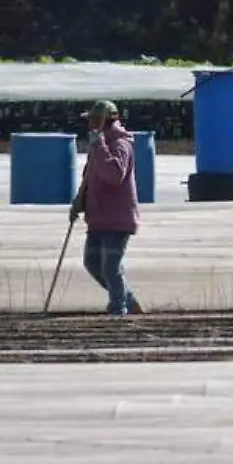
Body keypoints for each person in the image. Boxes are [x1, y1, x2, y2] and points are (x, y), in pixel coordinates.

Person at [69, 100, 144, 316]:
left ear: (104, 120)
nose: (89, 124)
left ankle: (118, 308)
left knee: (110, 267)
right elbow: (90, 177)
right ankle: (127, 299)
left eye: (93, 119)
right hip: (98, 217)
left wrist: (99, 146)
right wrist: (79, 202)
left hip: (118, 219)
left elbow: (114, 175)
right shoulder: (98, 145)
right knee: (92, 262)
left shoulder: (121, 145)